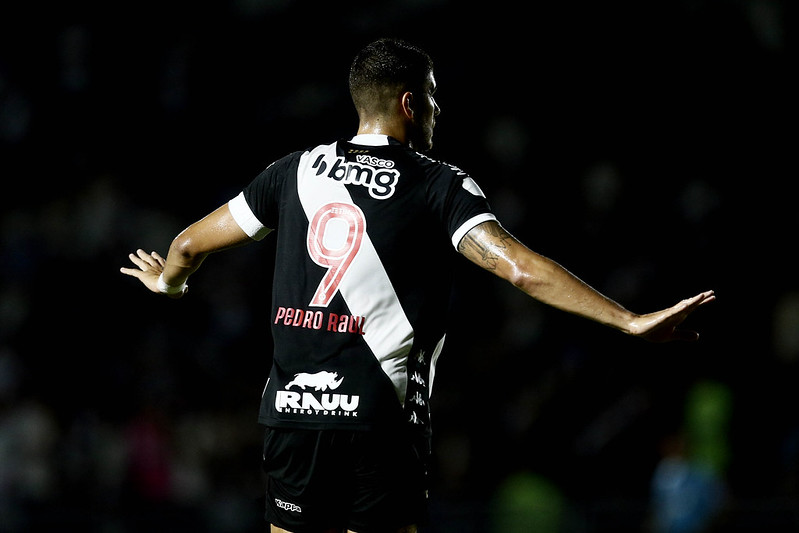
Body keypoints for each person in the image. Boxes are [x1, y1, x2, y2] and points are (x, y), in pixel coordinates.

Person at [121, 37, 714, 533]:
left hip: (293, 416)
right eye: (432, 97)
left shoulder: (292, 171)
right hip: (380, 421)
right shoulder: (438, 185)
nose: (436, 109)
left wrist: (169, 284)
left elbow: (188, 245)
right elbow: (519, 268)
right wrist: (627, 320)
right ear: (410, 103)